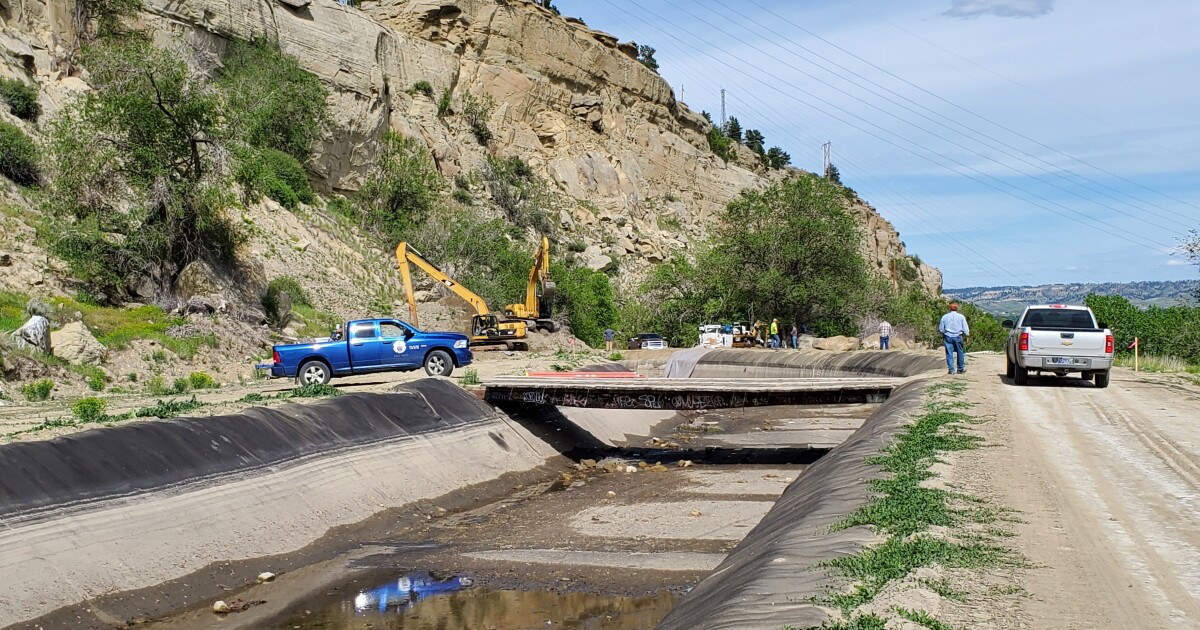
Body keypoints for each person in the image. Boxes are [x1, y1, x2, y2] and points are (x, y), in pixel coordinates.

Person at [938, 303, 970, 374]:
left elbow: (941, 329)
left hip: (948, 336)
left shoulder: (945, 317)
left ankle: (951, 370)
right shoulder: (961, 317)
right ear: (957, 309)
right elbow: (965, 328)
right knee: (960, 352)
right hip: (958, 336)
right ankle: (960, 369)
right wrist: (967, 336)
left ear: (949, 309)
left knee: (949, 353)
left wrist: (944, 333)